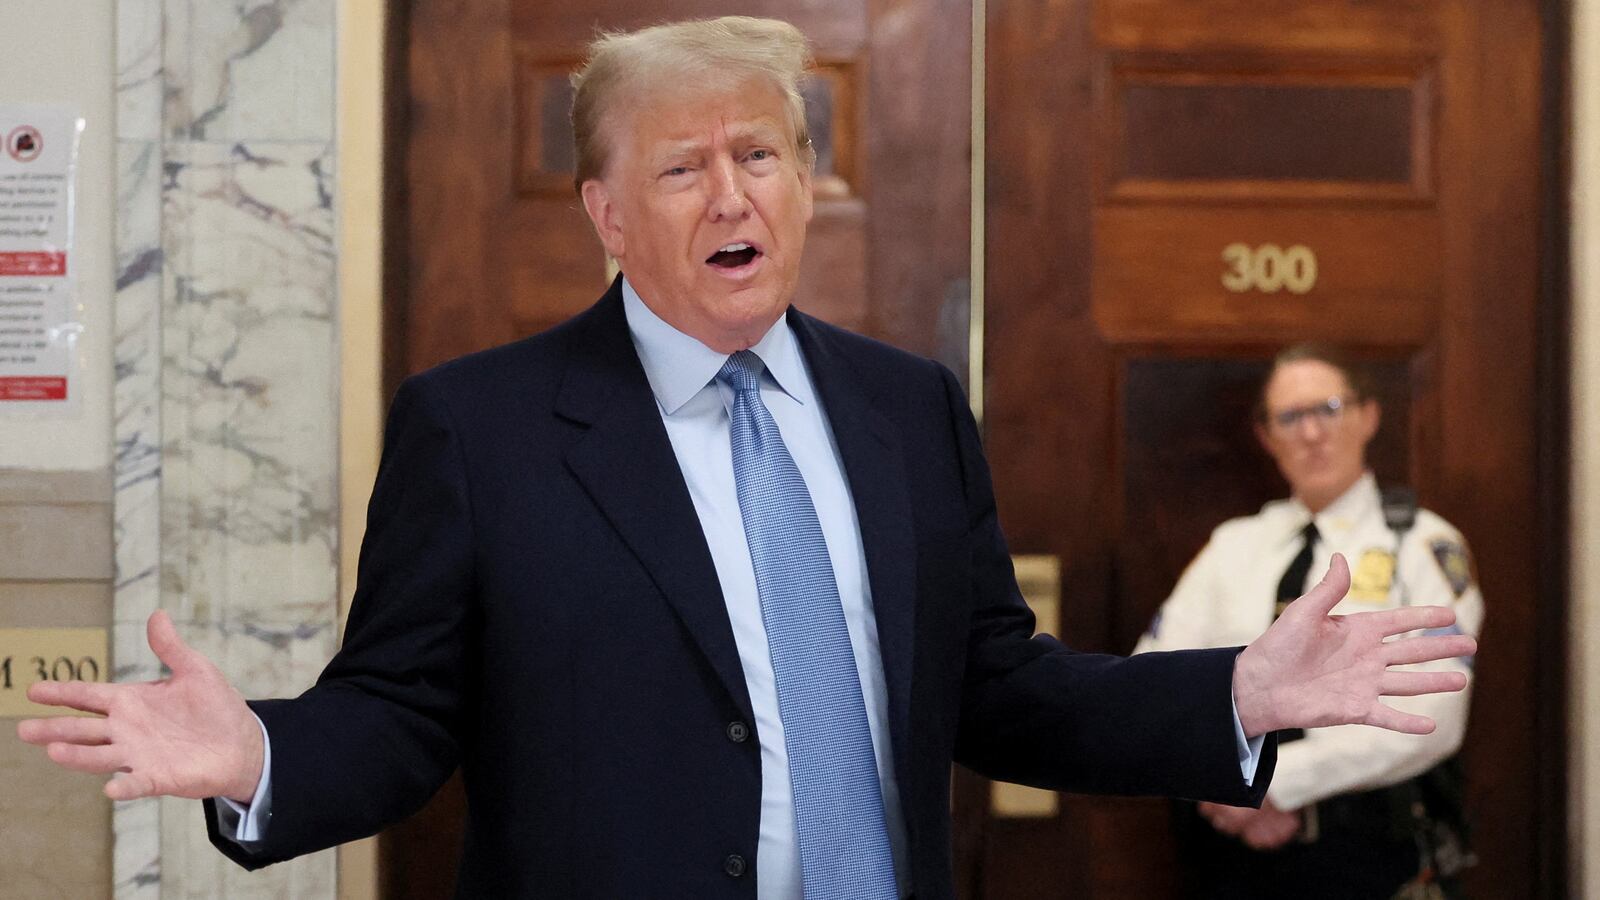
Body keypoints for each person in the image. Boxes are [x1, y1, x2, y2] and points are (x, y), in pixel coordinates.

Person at [17, 18, 1473, 900]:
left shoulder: (907, 407)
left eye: (762, 155)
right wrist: (262, 753)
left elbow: (1004, 692)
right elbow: (402, 714)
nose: (735, 193)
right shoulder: (484, 428)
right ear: (604, 212)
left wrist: (1234, 695)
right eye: (682, 166)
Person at [1134, 343, 1485, 899]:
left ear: (1368, 416)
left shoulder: (1424, 545)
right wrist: (1223, 779)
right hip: (1231, 861)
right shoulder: (1234, 548)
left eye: (1329, 408)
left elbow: (1435, 713)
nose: (1311, 432)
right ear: (1267, 437)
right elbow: (1151, 680)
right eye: (1290, 417)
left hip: (1370, 855)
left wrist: (1273, 785)